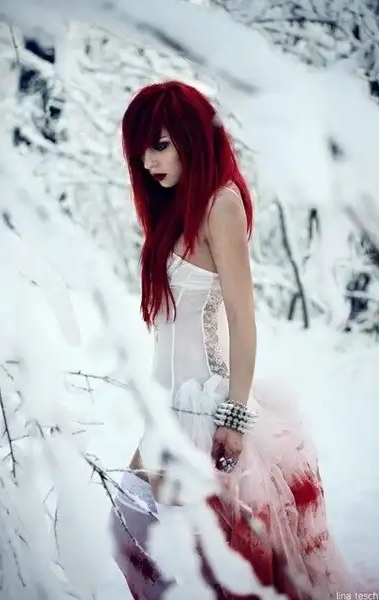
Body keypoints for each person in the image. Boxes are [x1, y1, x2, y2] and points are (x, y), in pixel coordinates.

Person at [110, 80, 356, 599]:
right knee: (131, 531)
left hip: (204, 409)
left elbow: (243, 319)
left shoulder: (220, 204)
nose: (148, 162)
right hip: (168, 411)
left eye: (160, 145)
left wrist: (235, 417)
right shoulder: (174, 208)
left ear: (191, 138)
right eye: (140, 151)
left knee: (185, 558)